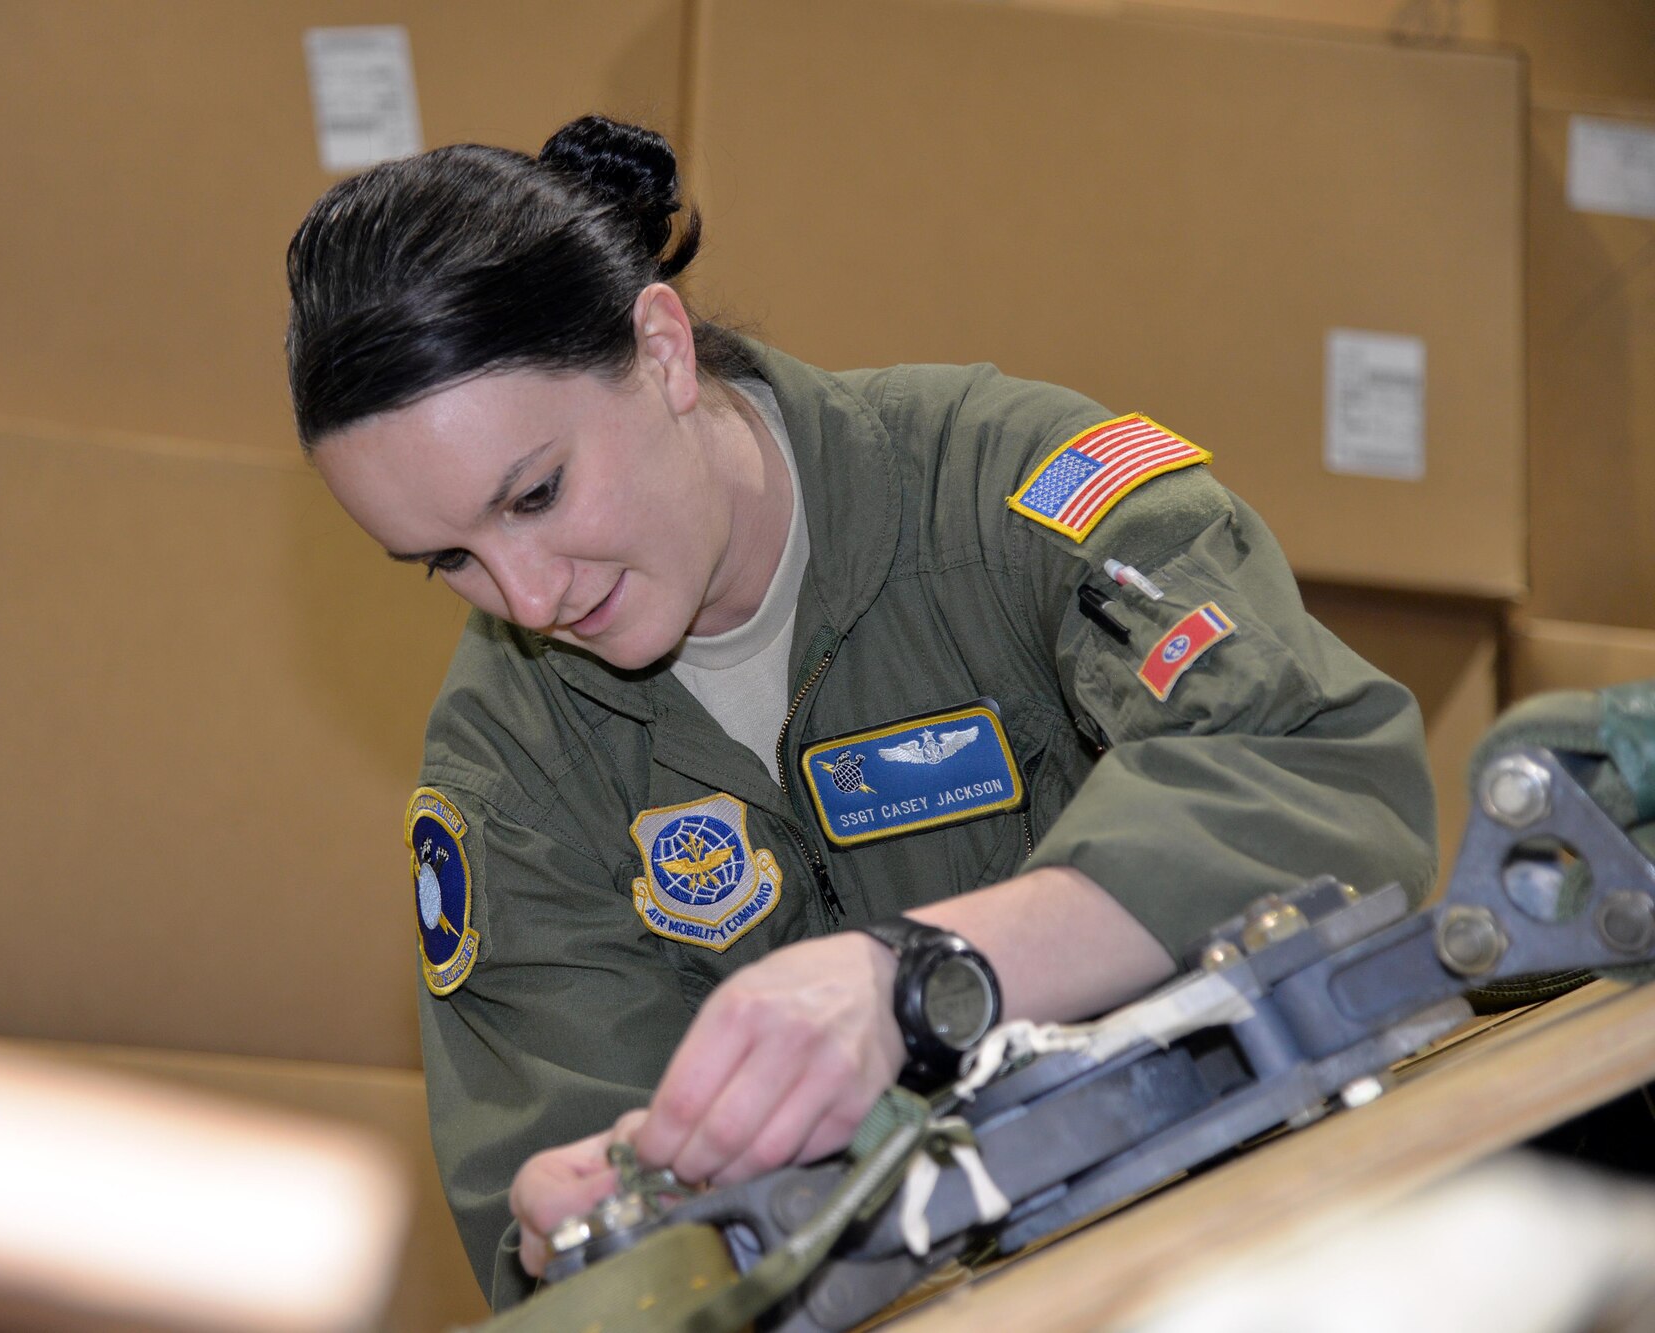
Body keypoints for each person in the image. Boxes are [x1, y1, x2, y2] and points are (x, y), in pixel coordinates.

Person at [284, 114, 1437, 1308]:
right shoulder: (508, 761)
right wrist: (589, 1230)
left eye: (535, 493)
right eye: (445, 561)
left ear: (664, 350)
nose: (526, 597)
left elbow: (1319, 777)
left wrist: (920, 980)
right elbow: (567, 1222)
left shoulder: (1010, 501)